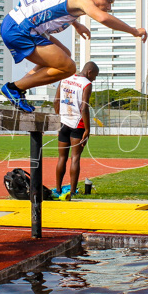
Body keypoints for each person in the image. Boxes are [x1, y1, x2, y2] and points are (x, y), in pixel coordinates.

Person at [0, 0, 147, 112]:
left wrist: (76, 25)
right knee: (68, 67)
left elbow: (53, 5)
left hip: (20, 24)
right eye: (108, 1)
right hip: (20, 29)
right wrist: (133, 31)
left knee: (65, 54)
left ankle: (21, 87)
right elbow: (103, 18)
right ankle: (14, 88)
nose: (109, 7)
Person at [53, 61, 99, 200]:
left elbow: (56, 101)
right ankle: (72, 191)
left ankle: (58, 189)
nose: (94, 79)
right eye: (94, 76)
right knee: (75, 158)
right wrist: (87, 129)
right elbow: (84, 108)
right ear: (89, 72)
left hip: (64, 122)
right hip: (77, 124)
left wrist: (59, 118)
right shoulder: (86, 84)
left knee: (61, 157)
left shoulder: (65, 79)